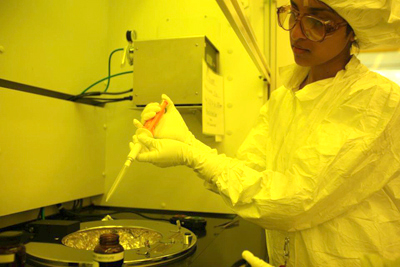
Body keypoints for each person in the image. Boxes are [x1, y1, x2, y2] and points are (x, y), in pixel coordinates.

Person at [131, 0, 400, 266]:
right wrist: (190, 144)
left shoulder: (376, 100)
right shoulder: (285, 97)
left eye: (316, 22)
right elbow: (251, 175)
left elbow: (294, 202)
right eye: (294, 13)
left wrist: (193, 155)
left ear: (352, 30)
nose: (296, 32)